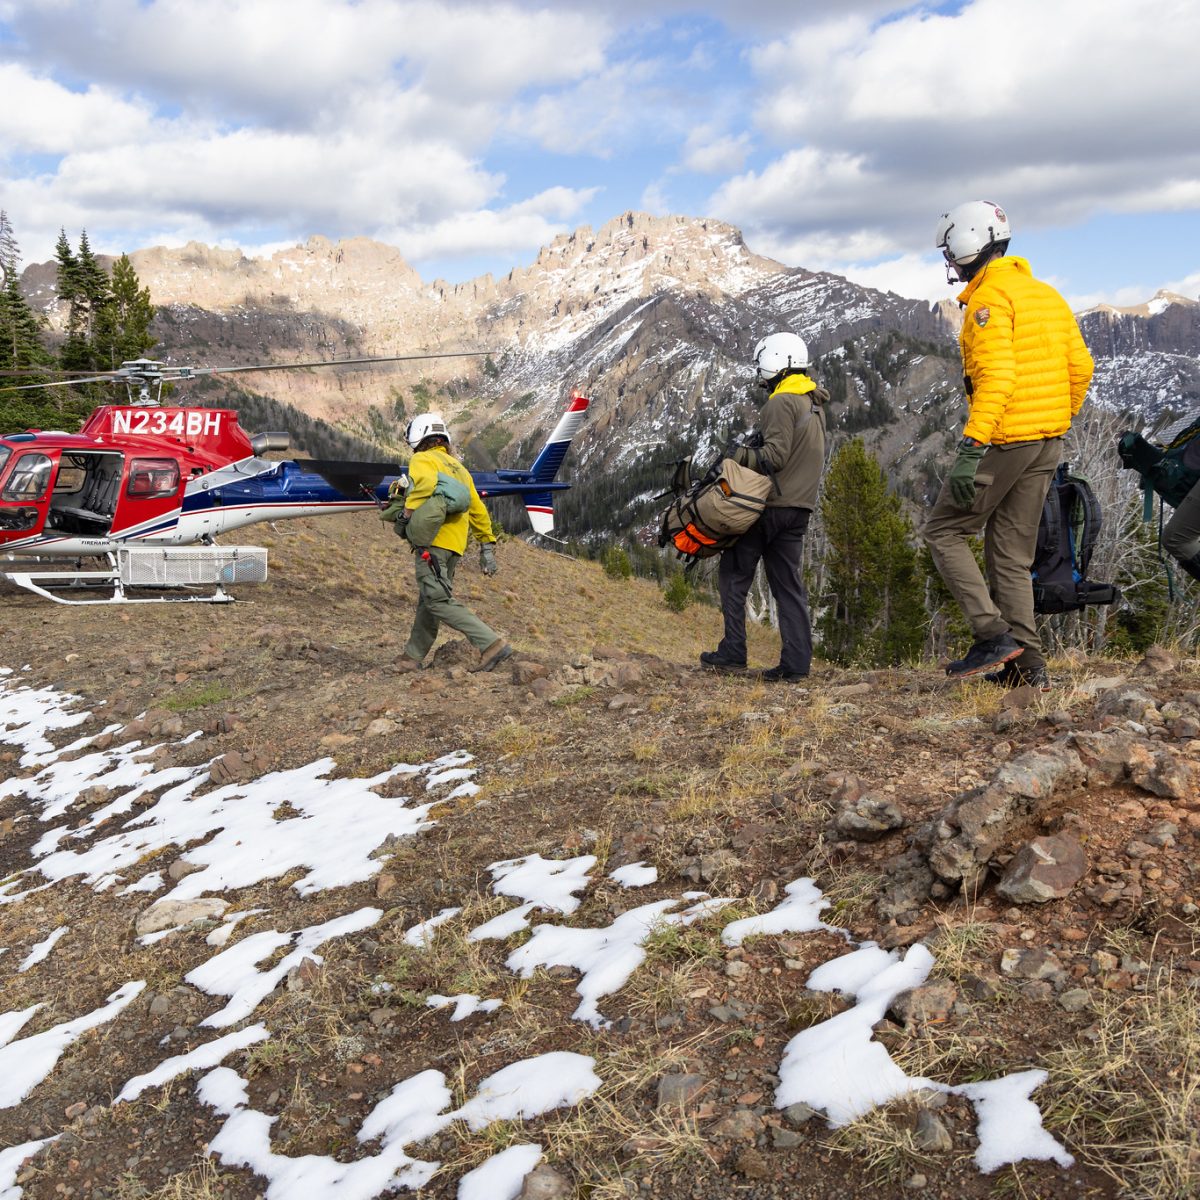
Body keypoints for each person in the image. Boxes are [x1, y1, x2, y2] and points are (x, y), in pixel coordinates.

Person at [924, 200, 1093, 688]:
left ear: (967, 244)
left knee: (945, 531)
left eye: (950, 252)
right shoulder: (1046, 294)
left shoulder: (988, 302)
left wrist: (972, 448)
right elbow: (1081, 369)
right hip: (1047, 441)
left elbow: (996, 378)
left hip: (1005, 439)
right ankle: (1028, 668)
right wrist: (1058, 417)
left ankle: (991, 633)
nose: (950, 263)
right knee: (1010, 554)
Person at [699, 332, 827, 682]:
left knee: (733, 575)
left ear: (776, 360)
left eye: (762, 364)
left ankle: (732, 653)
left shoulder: (780, 402)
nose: (760, 372)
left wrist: (735, 454)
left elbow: (774, 456)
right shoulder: (812, 403)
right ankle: (796, 665)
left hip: (769, 506)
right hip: (800, 508)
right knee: (787, 585)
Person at [394, 413, 512, 674]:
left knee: (437, 600)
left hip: (433, 542)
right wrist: (487, 546)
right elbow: (478, 509)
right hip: (455, 547)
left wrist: (406, 515)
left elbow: (422, 486)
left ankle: (491, 643)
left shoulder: (422, 459)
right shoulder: (459, 469)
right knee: (430, 598)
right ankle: (411, 657)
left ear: (418, 437)